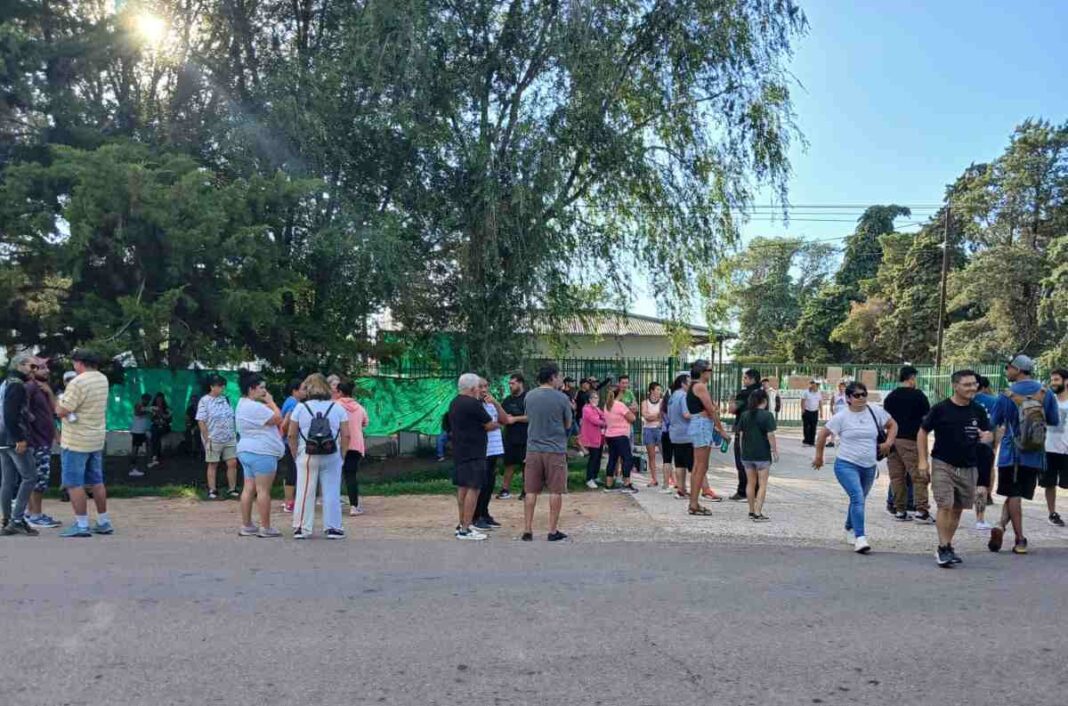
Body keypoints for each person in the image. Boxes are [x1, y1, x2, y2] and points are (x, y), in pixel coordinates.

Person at [916, 370, 992, 567]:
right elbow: (923, 432)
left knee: (958, 508)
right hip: (943, 462)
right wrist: (923, 461)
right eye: (967, 385)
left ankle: (948, 545)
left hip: (969, 464)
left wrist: (988, 437)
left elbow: (987, 433)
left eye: (974, 384)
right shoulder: (941, 409)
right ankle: (942, 547)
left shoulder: (978, 410)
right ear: (955, 386)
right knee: (945, 504)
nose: (972, 388)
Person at [813, 381, 897, 554]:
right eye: (857, 395)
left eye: (864, 394)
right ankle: (861, 537)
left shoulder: (875, 411)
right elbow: (822, 435)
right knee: (857, 497)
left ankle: (849, 527)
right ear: (848, 398)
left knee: (859, 499)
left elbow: (893, 425)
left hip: (869, 465)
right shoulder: (842, 417)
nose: (861, 398)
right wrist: (819, 457)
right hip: (846, 463)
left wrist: (889, 442)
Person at [988, 354, 1059, 554]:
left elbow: (994, 422)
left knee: (1013, 494)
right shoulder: (1046, 393)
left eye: (1008, 367)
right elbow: (1053, 420)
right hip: (1035, 453)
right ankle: (1001, 525)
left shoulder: (1005, 395)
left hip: (1011, 453)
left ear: (1018, 369)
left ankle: (1019, 539)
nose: (1006, 371)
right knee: (1015, 494)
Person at [55, 349, 112, 538]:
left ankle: (81, 525)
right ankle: (103, 521)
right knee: (96, 481)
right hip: (95, 438)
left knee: (73, 483)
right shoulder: (102, 379)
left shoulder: (78, 382)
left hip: (76, 440)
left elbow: (63, 411)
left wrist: (58, 400)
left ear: (79, 363)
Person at [287, 373, 350, 539]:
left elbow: (291, 434)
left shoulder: (300, 408)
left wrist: (295, 454)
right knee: (331, 491)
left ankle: (302, 528)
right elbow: (346, 435)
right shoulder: (338, 408)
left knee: (305, 490)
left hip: (306, 454)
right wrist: (342, 454)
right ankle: (333, 528)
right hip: (332, 454)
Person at [521, 363, 573, 542]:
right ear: (552, 377)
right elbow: (567, 424)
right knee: (555, 491)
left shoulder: (529, 396)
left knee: (530, 491)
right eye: (558, 376)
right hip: (555, 449)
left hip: (533, 448)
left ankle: (527, 530)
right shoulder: (562, 398)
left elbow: (529, 417)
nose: (560, 379)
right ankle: (552, 530)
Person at [447, 373, 497, 541]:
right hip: (475, 451)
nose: (479, 390)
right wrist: (500, 422)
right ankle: (466, 529)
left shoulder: (454, 402)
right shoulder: (473, 404)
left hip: (460, 450)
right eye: (478, 387)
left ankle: (462, 524)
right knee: (473, 489)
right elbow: (489, 424)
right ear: (473, 388)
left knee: (462, 488)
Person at [235, 373, 284, 538]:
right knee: (263, 490)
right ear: (251, 389)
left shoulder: (242, 404)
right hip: (262, 451)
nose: (264, 391)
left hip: (246, 450)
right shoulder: (255, 407)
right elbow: (278, 418)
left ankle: (247, 525)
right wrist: (271, 402)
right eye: (261, 387)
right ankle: (266, 527)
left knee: (248, 488)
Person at [883, 365, 933, 523]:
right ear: (911, 378)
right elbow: (927, 417)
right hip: (911, 440)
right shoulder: (918, 396)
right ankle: (921, 511)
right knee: (918, 477)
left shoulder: (891, 396)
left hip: (891, 440)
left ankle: (900, 510)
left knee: (897, 477)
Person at [1, 354, 42, 536]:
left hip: (2, 438)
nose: (34, 371)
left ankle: (8, 520)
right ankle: (16, 520)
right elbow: (11, 414)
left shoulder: (6, 382)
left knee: (8, 480)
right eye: (32, 367)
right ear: (20, 365)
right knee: (30, 477)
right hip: (13, 439)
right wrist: (19, 438)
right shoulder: (17, 385)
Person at [687, 360, 730, 516]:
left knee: (699, 466)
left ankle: (694, 502)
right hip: (702, 425)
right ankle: (694, 503)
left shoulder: (694, 386)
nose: (711, 373)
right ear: (703, 372)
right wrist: (722, 431)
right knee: (701, 466)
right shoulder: (700, 386)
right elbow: (711, 410)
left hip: (699, 424)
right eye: (709, 370)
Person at [24, 357, 61, 529]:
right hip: (35, 441)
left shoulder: (43, 389)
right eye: (42, 368)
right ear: (32, 369)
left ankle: (31, 513)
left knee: (38, 478)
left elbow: (50, 414)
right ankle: (35, 515)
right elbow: (21, 410)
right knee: (39, 479)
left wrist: (56, 434)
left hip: (43, 440)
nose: (47, 371)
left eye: (47, 367)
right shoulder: (30, 387)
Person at [474, 377, 511, 529]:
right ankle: (477, 516)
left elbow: (505, 420)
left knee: (490, 483)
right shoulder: (475, 405)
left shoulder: (490, 404)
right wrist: (495, 425)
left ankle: (485, 512)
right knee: (481, 485)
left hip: (495, 449)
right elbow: (485, 426)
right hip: (483, 450)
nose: (484, 389)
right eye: (481, 386)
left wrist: (495, 403)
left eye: (486, 386)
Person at [738, 388, 778, 522]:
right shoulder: (767, 416)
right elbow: (770, 435)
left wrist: (742, 450)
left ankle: (750, 510)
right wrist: (774, 451)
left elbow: (741, 435)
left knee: (750, 483)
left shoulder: (744, 415)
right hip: (762, 454)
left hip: (748, 454)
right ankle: (758, 511)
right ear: (765, 401)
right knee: (762, 484)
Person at [196, 375, 238, 500]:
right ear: (212, 387)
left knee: (232, 462)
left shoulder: (226, 399)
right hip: (213, 437)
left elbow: (232, 416)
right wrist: (206, 437)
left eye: (223, 385)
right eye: (219, 386)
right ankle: (212, 489)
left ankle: (232, 488)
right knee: (213, 463)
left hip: (229, 436)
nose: (222, 388)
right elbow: (201, 420)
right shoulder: (204, 401)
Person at [337, 380, 370, 517]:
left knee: (334, 475)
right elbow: (365, 423)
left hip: (338, 444)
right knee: (351, 475)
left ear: (339, 392)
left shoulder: (335, 406)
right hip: (355, 445)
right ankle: (354, 506)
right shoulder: (360, 408)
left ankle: (333, 505)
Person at [729, 369, 762, 501]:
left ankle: (743, 491)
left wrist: (731, 399)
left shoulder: (744, 394)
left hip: (743, 430)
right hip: (759, 432)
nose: (744, 381)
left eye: (745, 378)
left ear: (752, 379)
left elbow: (732, 409)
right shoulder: (762, 393)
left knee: (742, 462)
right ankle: (756, 490)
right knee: (756, 462)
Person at [1041, 368, 1068, 527]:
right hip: (1049, 448)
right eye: (1052, 380)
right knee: (1048, 483)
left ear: (1066, 381)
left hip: (1066, 449)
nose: (1053, 383)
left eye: (1056, 380)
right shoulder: (1049, 401)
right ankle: (1052, 513)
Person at [600, 386, 637, 493]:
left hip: (610, 435)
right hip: (621, 435)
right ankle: (626, 483)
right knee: (627, 458)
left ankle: (609, 484)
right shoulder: (620, 405)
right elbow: (632, 418)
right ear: (619, 395)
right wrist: (632, 411)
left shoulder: (607, 406)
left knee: (612, 459)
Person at [973, 375, 998, 529]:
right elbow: (997, 425)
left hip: (964, 447)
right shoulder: (993, 401)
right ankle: (980, 519)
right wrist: (994, 444)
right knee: (983, 479)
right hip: (984, 446)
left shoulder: (962, 401)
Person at [498, 373, 529, 500]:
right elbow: (501, 415)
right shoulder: (507, 400)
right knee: (509, 464)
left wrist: (515, 419)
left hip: (525, 437)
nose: (510, 386)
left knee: (526, 466)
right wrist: (504, 419)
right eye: (509, 384)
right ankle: (505, 490)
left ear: (520, 383)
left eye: (513, 383)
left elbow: (531, 417)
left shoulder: (528, 398)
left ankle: (526, 491)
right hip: (510, 437)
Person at [667, 373, 694, 500]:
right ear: (683, 383)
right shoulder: (683, 396)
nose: (691, 385)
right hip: (686, 434)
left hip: (675, 434)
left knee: (679, 464)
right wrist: (700, 416)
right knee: (692, 465)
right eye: (689, 382)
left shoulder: (672, 396)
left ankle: (681, 490)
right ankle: (695, 491)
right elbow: (686, 414)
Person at [278, 379, 304, 513]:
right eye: (302, 389)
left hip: (289, 441)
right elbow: (286, 422)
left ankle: (289, 500)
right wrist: (289, 435)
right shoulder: (293, 404)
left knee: (292, 470)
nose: (305, 392)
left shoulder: (290, 401)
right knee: (292, 471)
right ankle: (289, 502)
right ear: (295, 390)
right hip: (291, 442)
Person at [579, 389, 605, 489]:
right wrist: (604, 423)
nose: (596, 399)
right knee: (593, 458)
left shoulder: (597, 409)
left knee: (598, 457)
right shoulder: (587, 409)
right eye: (594, 397)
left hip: (599, 437)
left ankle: (595, 476)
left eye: (597, 397)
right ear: (589, 399)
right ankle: (589, 479)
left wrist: (603, 420)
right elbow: (595, 420)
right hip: (591, 437)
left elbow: (603, 416)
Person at [641, 382, 664, 487]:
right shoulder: (645, 402)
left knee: (665, 455)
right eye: (658, 389)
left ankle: (672, 478)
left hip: (659, 429)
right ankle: (654, 479)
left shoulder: (662, 402)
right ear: (651, 390)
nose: (660, 392)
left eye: (660, 390)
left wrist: (653, 416)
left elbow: (663, 416)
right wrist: (657, 416)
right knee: (651, 456)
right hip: (648, 429)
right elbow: (646, 417)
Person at [128, 393, 152, 477]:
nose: (147, 401)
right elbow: (138, 412)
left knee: (149, 443)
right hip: (137, 431)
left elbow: (147, 416)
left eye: (148, 400)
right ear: (143, 399)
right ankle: (132, 469)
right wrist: (149, 409)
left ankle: (149, 462)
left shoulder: (146, 407)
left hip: (142, 431)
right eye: (146, 400)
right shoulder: (138, 405)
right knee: (135, 450)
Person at [148, 392, 171, 468]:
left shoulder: (166, 408)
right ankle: (156, 455)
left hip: (164, 426)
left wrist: (161, 414)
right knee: (155, 433)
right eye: (158, 399)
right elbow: (151, 418)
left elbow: (169, 418)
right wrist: (155, 415)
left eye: (161, 399)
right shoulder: (152, 407)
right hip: (156, 426)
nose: (159, 401)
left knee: (156, 433)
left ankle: (155, 455)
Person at [801, 380, 823, 446]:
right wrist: (803, 409)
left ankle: (812, 441)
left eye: (818, 386)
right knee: (806, 427)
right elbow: (802, 401)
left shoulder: (819, 392)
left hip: (815, 412)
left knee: (813, 427)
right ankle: (806, 440)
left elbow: (820, 402)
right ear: (813, 386)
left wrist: (821, 412)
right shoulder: (806, 392)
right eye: (816, 386)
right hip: (807, 411)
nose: (817, 388)